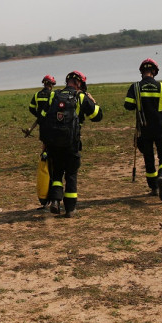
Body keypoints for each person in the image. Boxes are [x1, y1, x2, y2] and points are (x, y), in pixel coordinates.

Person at [41, 71, 103, 218]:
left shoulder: (53, 96)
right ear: (79, 83)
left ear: (67, 82)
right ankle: (70, 209)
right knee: (71, 174)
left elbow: (43, 118)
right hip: (72, 143)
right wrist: (93, 102)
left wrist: (44, 142)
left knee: (56, 173)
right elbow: (97, 116)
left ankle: (55, 201)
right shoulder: (81, 97)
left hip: (53, 143)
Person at [124, 59, 162, 201]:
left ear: (141, 72)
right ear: (155, 71)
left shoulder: (135, 87)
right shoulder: (161, 87)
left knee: (148, 160)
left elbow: (128, 106)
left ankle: (154, 188)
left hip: (144, 130)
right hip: (161, 129)